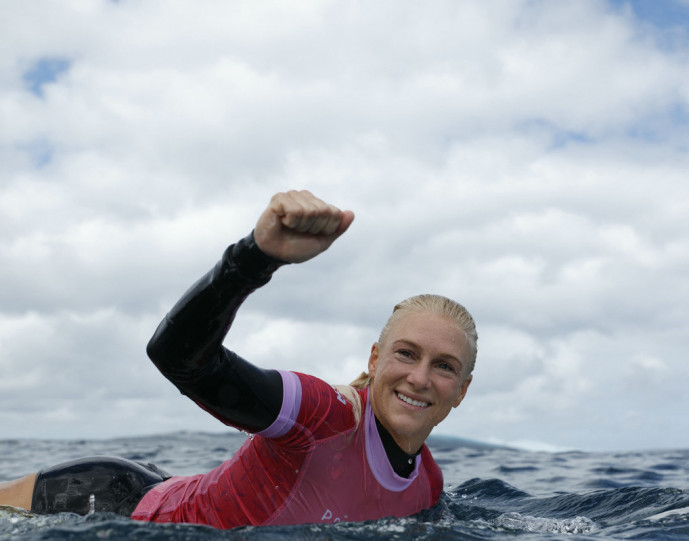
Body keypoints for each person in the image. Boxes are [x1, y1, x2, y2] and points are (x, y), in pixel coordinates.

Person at [0, 190, 476, 528]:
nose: (419, 377)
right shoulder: (321, 415)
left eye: (444, 366)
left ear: (462, 390)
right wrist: (255, 257)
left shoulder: (428, 486)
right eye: (406, 354)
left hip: (190, 490)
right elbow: (178, 358)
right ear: (374, 360)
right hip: (105, 504)